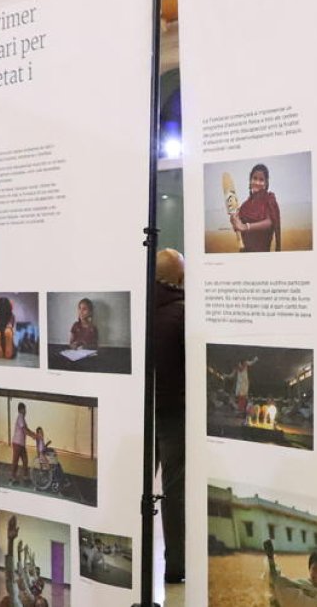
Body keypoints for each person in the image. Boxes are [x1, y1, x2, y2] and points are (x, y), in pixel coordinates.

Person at [152, 248, 185, 583]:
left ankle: (138, 564)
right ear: (178, 278)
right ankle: (175, 565)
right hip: (175, 415)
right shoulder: (182, 313)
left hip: (142, 414)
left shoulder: (140, 308)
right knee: (174, 493)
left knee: (138, 486)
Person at [229, 163, 281, 252]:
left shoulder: (269, 199)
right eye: (255, 178)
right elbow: (238, 225)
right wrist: (234, 220)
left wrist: (246, 227)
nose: (257, 182)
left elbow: (270, 222)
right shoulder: (245, 205)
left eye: (261, 180)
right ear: (250, 180)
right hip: (245, 252)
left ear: (266, 182)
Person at [10, 402, 39, 486]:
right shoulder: (20, 417)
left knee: (25, 460)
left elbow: (27, 429)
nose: (26, 411)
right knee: (15, 461)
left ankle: (25, 477)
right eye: (25, 409)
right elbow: (25, 430)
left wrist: (34, 434)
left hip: (21, 444)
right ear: (21, 409)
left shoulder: (22, 418)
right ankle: (13, 477)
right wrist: (32, 436)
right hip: (17, 443)